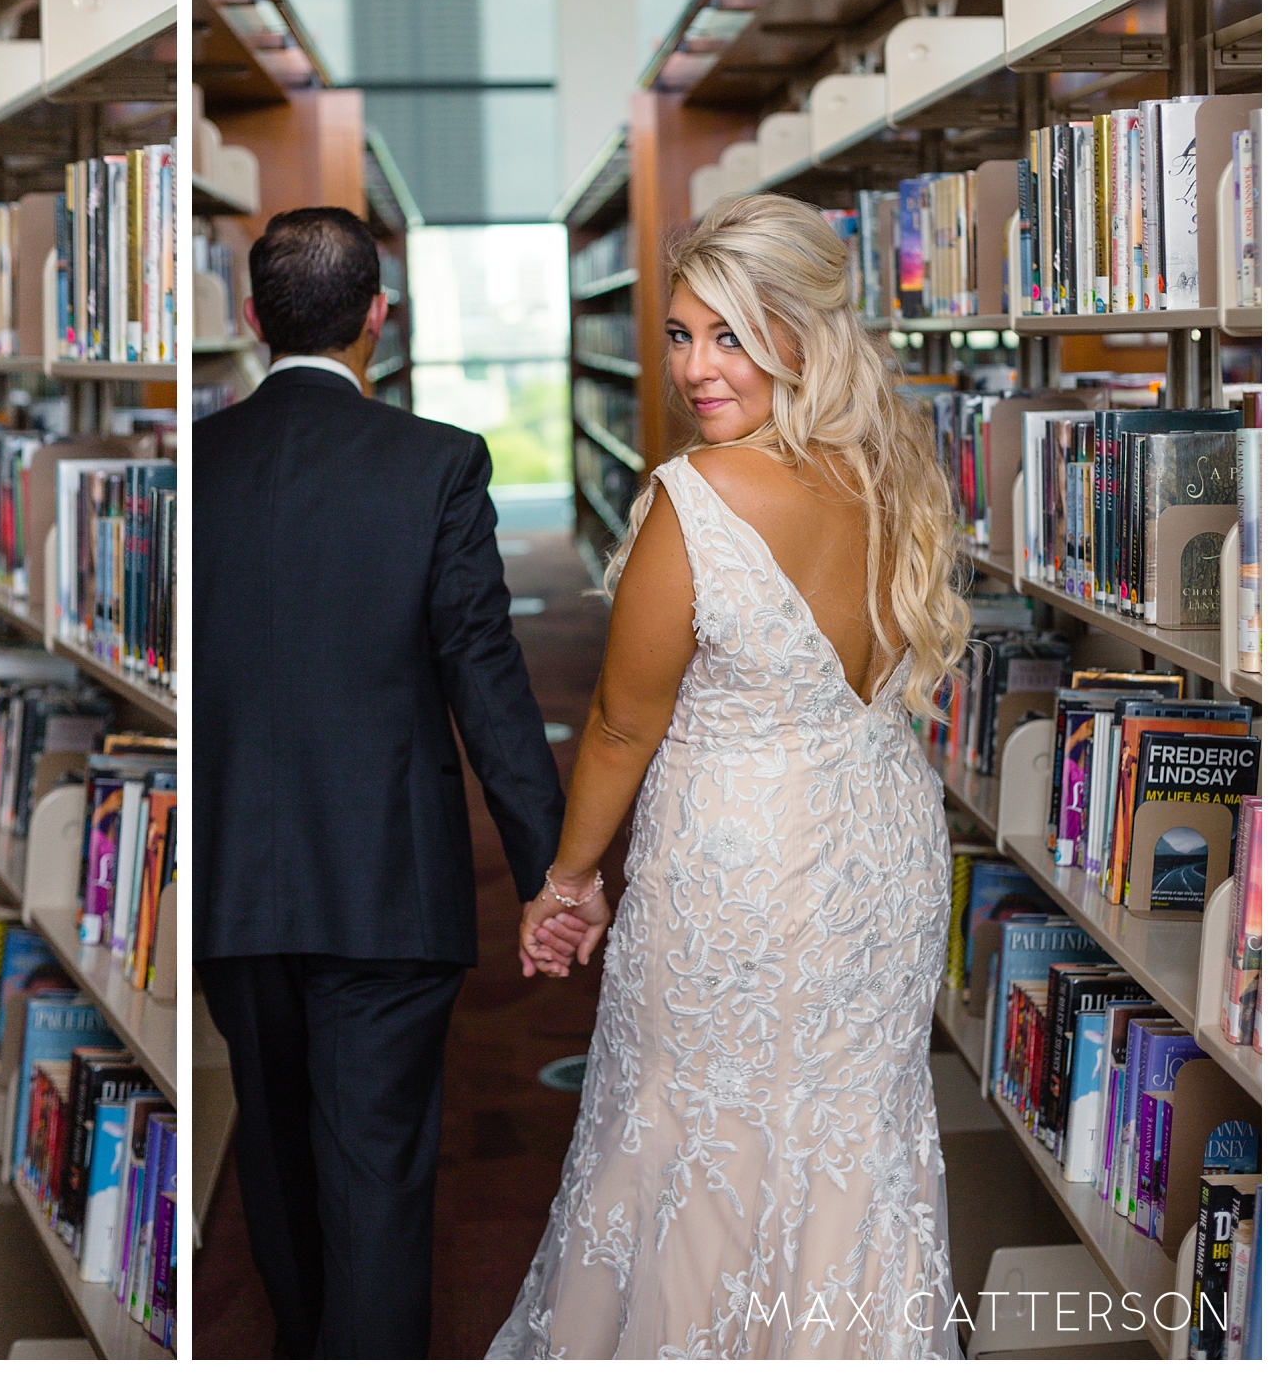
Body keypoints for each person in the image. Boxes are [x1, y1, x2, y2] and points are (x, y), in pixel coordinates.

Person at [491, 194, 970, 1359]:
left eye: (732, 336)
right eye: (678, 334)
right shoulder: (890, 466)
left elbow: (615, 725)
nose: (697, 368)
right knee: (849, 1145)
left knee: (693, 1133)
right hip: (878, 856)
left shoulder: (697, 497)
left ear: (801, 334)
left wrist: (567, 879)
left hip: (740, 868)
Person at [196, 206, 569, 1358]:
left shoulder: (188, 463)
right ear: (378, 316)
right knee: (377, 1171)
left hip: (229, 886)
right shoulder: (436, 464)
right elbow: (487, 684)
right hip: (383, 887)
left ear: (253, 320)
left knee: (275, 1153)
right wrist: (553, 873)